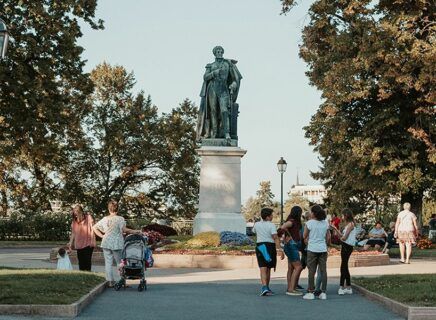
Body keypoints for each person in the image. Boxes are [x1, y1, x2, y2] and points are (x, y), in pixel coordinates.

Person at [93, 200, 141, 286]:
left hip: (106, 242)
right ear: (117, 209)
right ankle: (122, 281)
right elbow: (124, 230)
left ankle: (110, 282)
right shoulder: (120, 219)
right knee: (120, 263)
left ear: (109, 209)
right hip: (116, 243)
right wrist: (135, 231)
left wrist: (102, 236)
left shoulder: (104, 219)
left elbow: (94, 228)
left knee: (108, 263)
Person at [253, 207, 285, 296]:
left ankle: (264, 287)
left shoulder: (256, 224)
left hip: (260, 246)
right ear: (267, 217)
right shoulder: (271, 225)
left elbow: (254, 231)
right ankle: (266, 287)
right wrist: (280, 249)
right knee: (268, 268)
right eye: (271, 215)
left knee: (262, 267)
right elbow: (275, 237)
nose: (272, 217)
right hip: (269, 246)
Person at [303, 205, 330, 300]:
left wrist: (308, 242)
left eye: (311, 211)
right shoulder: (325, 223)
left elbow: (304, 236)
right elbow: (328, 237)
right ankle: (323, 292)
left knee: (311, 271)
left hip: (312, 249)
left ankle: (310, 292)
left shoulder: (309, 223)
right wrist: (325, 245)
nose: (310, 213)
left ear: (313, 213)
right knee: (323, 271)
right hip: (322, 249)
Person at [331, 208, 356, 295]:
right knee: (344, 266)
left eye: (342, 215)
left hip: (347, 246)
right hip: (346, 246)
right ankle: (348, 287)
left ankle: (342, 287)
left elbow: (344, 238)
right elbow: (342, 236)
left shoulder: (350, 225)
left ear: (346, 215)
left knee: (343, 267)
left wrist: (341, 238)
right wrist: (335, 229)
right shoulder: (349, 224)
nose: (341, 217)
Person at [280, 206, 304, 296]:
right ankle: (291, 289)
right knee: (299, 267)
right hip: (291, 246)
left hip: (290, 246)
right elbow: (282, 228)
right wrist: (288, 235)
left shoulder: (293, 221)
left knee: (291, 268)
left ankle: (290, 287)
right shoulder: (292, 221)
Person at [67, 204, 96, 271]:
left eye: (77, 214)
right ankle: (82, 275)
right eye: (75, 215)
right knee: (81, 262)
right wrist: (70, 243)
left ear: (81, 212)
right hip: (79, 244)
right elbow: (73, 233)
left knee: (87, 261)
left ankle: (88, 276)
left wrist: (93, 240)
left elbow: (93, 229)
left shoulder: (88, 217)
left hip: (88, 243)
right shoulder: (74, 221)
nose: (76, 216)